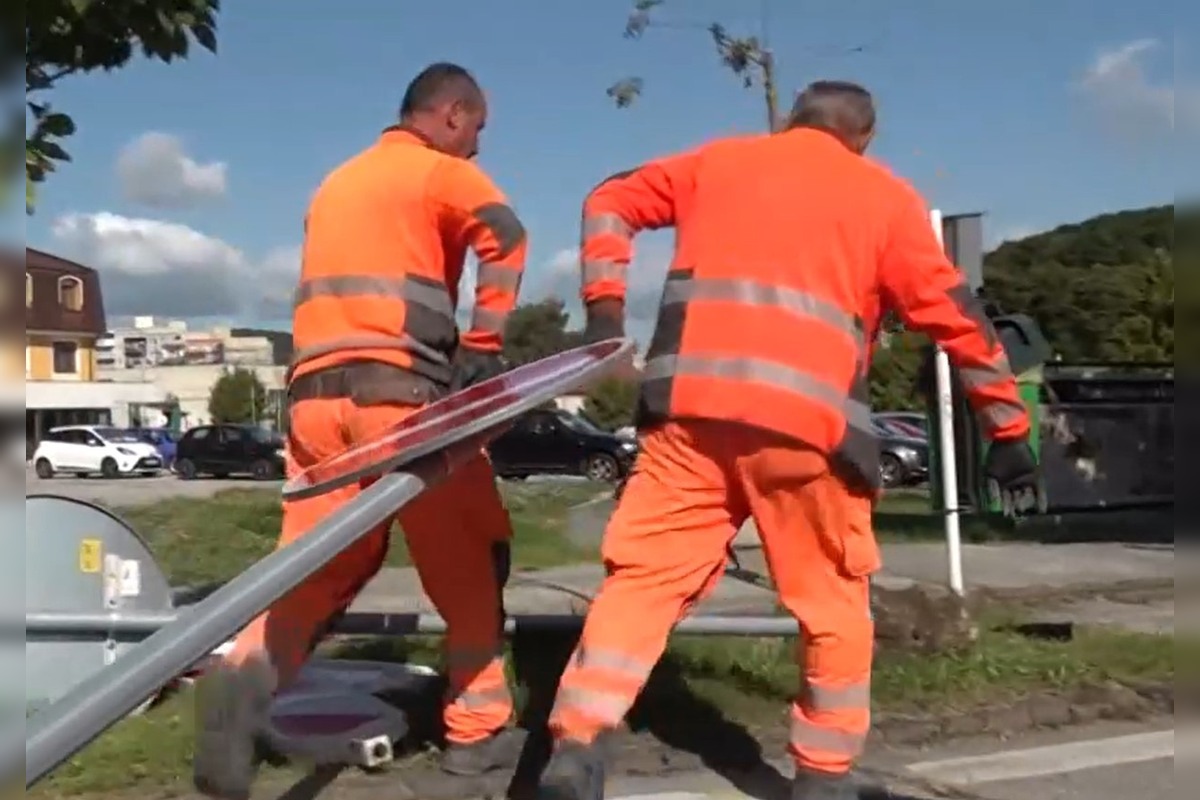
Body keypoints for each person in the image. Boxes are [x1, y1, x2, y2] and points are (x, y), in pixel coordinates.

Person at [536, 81, 1040, 800]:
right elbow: (959, 320)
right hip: (809, 434)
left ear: (791, 119)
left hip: (690, 417)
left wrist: (605, 312)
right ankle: (822, 778)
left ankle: (579, 740)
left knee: (643, 583)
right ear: (863, 137)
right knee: (831, 605)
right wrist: (1007, 429)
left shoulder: (717, 163)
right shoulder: (885, 199)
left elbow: (609, 199)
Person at [194, 62, 529, 799]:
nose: (477, 144)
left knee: (315, 566)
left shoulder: (337, 183)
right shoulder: (435, 172)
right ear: (450, 114)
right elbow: (506, 235)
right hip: (405, 403)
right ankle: (477, 732)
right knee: (470, 558)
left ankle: (241, 683)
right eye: (476, 128)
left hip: (314, 402)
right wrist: (483, 346)